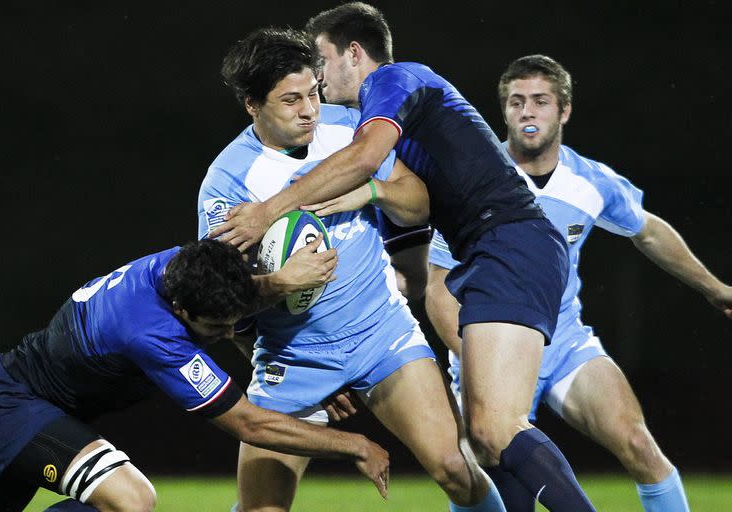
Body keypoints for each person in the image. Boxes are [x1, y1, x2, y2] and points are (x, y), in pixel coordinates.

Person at [210, 4, 596, 511]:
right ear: (252, 105)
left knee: (477, 448)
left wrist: (280, 209)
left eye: (316, 83)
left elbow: (400, 190)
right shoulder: (226, 180)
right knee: (486, 436)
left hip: (424, 304)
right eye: (293, 98)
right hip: (294, 352)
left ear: (353, 53)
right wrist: (282, 286)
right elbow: (222, 297)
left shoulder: (382, 96)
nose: (313, 104)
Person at [426, 54, 732, 511]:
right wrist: (473, 358)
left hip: (563, 342)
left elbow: (647, 230)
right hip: (494, 344)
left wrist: (716, 288)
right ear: (503, 112)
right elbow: (437, 287)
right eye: (516, 102)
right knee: (483, 476)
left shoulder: (589, 181)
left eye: (540, 101)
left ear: (564, 111)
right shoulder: (474, 186)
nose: (527, 112)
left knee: (638, 443)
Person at [0, 239, 392, 512]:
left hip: (22, 407)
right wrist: (355, 445)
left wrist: (278, 282)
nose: (228, 334)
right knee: (132, 500)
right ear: (182, 313)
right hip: (10, 408)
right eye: (215, 329)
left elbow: (232, 300)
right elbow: (248, 423)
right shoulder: (152, 334)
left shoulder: (188, 268)